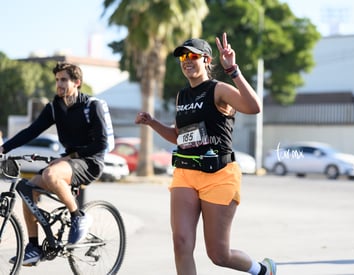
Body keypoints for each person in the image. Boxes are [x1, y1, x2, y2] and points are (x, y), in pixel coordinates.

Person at [135, 33, 277, 275]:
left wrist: (233, 70)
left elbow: (254, 107)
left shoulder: (219, 90)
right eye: (182, 56)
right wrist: (153, 123)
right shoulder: (182, 95)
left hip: (219, 174)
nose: (186, 60)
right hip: (185, 173)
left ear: (207, 60)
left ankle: (262, 270)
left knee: (219, 255)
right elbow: (179, 136)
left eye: (192, 55)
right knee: (181, 243)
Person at [0, 62, 108, 266]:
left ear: (77, 82)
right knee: (27, 189)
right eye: (57, 80)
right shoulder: (55, 107)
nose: (59, 84)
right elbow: (31, 131)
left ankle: (78, 217)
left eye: (64, 80)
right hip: (69, 161)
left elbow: (101, 144)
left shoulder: (91, 106)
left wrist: (70, 156)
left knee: (51, 175)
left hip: (90, 161)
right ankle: (34, 247)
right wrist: (4, 148)